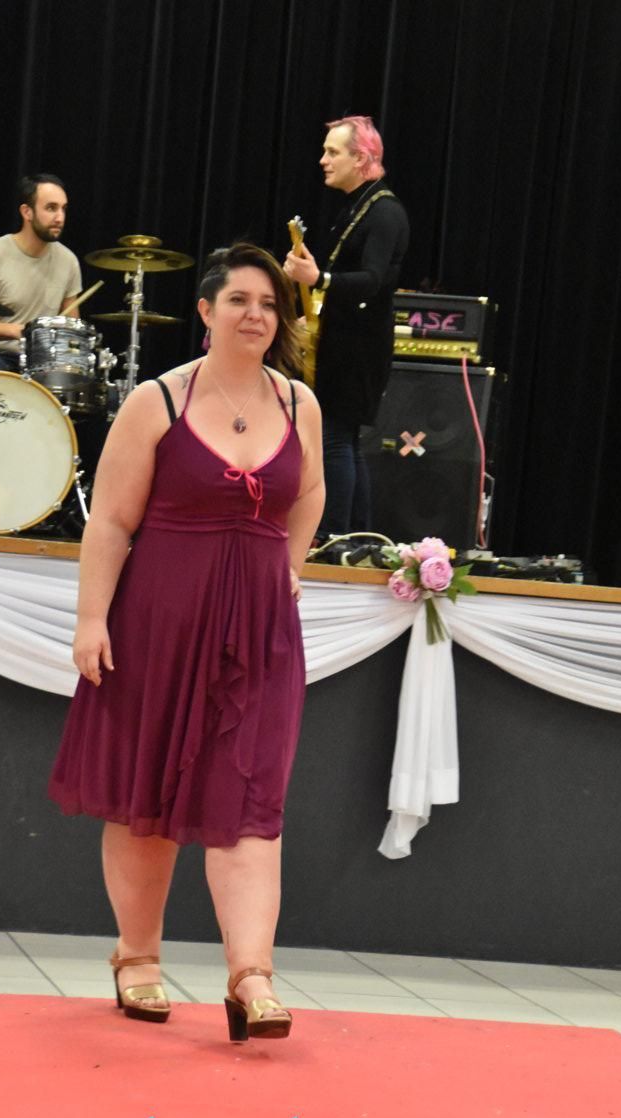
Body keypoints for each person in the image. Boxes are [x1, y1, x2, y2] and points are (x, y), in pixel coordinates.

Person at [49, 242, 324, 1043]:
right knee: (149, 799)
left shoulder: (299, 402)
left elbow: (309, 493)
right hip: (159, 624)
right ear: (206, 311)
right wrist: (92, 619)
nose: (256, 315)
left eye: (269, 304)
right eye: (239, 300)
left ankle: (252, 977)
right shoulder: (156, 401)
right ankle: (137, 957)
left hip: (260, 630)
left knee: (251, 798)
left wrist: (290, 565)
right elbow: (110, 521)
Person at [284, 115, 409, 543]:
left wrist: (318, 278)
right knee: (344, 440)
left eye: (332, 152)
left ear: (360, 158)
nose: (323, 160)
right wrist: (313, 307)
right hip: (345, 339)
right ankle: (354, 538)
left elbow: (372, 281)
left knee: (335, 439)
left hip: (359, 346)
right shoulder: (361, 206)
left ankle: (333, 534)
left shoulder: (385, 211)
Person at [0, 173, 82, 372]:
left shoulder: (68, 261)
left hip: (40, 360)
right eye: (51, 208)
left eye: (63, 209)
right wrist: (17, 331)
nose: (60, 218)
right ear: (27, 212)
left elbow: (71, 325)